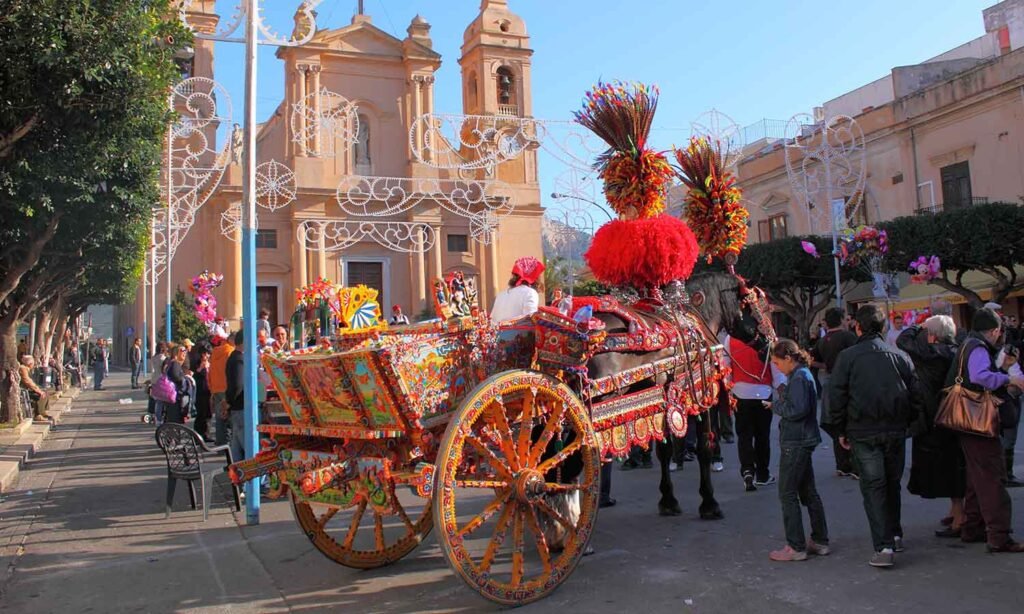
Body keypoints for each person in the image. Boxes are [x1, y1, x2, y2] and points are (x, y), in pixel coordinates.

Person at [828, 304, 923, 568]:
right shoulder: (899, 356)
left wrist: (839, 430)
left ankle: (884, 544)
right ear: (883, 327)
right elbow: (916, 395)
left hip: (864, 430)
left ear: (857, 327)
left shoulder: (849, 357)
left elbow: (836, 396)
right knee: (890, 483)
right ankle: (893, 533)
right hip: (893, 428)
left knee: (874, 487)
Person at [951, 307, 1024, 552]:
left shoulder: (968, 344)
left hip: (967, 419)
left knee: (976, 477)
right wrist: (1008, 378)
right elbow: (981, 376)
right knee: (992, 478)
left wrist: (1002, 369)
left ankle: (973, 527)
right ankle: (999, 535)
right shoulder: (978, 348)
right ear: (993, 331)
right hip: (979, 420)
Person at [898, 315, 966, 537]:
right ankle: (957, 511)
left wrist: (919, 323)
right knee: (954, 464)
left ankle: (959, 517)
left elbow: (903, 339)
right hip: (953, 415)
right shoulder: (955, 350)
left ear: (933, 334)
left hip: (933, 417)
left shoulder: (930, 353)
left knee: (947, 469)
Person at [766, 339, 830, 562]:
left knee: (788, 493)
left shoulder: (800, 377)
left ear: (788, 359)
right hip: (802, 439)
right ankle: (819, 540)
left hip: (797, 441)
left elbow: (797, 409)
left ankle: (796, 545)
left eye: (776, 362)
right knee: (807, 491)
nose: (776, 367)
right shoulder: (800, 376)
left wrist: (776, 406)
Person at [726, 333, 777, 491]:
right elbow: (775, 366)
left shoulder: (731, 338)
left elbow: (726, 366)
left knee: (744, 436)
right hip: (764, 391)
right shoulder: (769, 336)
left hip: (740, 392)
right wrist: (782, 387)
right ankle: (762, 474)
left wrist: (728, 388)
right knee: (762, 435)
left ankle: (747, 471)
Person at [813, 308, 859, 479]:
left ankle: (842, 465)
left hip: (830, 382)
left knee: (835, 422)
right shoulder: (849, 337)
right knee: (851, 421)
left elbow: (813, 360)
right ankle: (855, 465)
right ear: (841, 319)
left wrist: (826, 366)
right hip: (848, 382)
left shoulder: (823, 340)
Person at [490, 256, 545, 323]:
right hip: (517, 333)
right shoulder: (530, 293)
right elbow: (530, 322)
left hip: (497, 333)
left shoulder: (500, 295)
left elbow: (492, 321)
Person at [225, 330, 246, 464]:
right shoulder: (239, 359)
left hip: (236, 406)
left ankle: (236, 477)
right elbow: (238, 385)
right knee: (245, 444)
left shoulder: (233, 357)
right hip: (240, 406)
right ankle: (245, 479)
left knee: (236, 446)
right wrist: (230, 401)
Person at [209, 331, 234, 446]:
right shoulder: (231, 352)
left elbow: (210, 371)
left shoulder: (215, 352)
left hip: (216, 388)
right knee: (230, 416)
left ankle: (220, 442)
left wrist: (211, 388)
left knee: (219, 417)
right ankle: (229, 442)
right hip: (227, 387)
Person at [161, 345, 189, 424]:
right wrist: (185, 377)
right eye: (182, 351)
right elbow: (177, 377)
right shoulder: (175, 364)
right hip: (174, 394)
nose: (185, 353)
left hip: (169, 394)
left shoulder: (170, 362)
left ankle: (171, 433)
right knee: (174, 418)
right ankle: (173, 434)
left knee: (170, 417)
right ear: (176, 353)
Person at [18, 355, 51, 422]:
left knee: (46, 392)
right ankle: (38, 414)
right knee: (40, 395)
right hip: (23, 391)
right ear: (30, 364)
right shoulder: (23, 369)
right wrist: (38, 391)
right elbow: (28, 382)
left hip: (28, 389)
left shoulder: (27, 369)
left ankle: (43, 411)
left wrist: (39, 389)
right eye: (33, 363)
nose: (33, 365)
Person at [192, 347, 212, 441]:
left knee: (208, 413)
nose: (206, 356)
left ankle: (206, 434)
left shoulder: (210, 363)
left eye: (208, 354)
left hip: (208, 390)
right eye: (204, 354)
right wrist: (201, 367)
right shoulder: (196, 363)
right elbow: (195, 374)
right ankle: (197, 435)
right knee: (201, 413)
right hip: (200, 391)